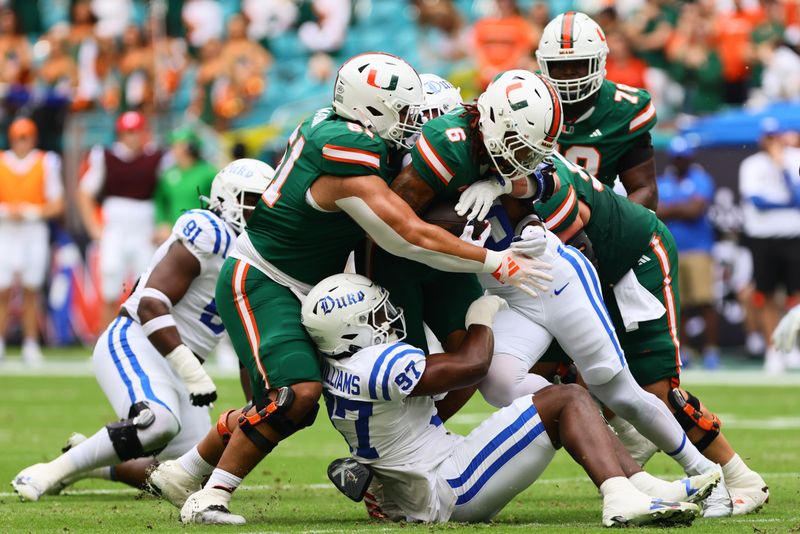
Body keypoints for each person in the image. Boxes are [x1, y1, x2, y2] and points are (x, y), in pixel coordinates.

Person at [145, 52, 551, 525]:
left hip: (319, 284)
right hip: (266, 279)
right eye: (402, 112)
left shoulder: (350, 132)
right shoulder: (344, 155)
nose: (412, 122)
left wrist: (497, 182)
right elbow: (405, 234)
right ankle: (211, 496)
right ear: (371, 111)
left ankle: (184, 472)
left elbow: (529, 173)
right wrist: (492, 261)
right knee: (295, 396)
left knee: (313, 400)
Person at [455, 72, 769, 518]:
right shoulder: (464, 158)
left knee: (649, 387)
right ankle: (626, 454)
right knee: (537, 382)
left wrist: (596, 340)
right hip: (540, 287)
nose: (529, 157)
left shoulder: (548, 180)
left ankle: (734, 476)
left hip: (625, 259)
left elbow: (582, 255)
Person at [305, 273, 707, 527]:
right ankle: (621, 498)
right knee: (565, 398)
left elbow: (450, 390)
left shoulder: (340, 368)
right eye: (375, 317)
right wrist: (481, 317)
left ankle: (641, 484)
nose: (388, 319)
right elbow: (470, 364)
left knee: (561, 401)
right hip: (448, 485)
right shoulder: (378, 363)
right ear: (349, 329)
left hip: (424, 480)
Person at [11, 159, 271, 501]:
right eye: (255, 200)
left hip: (179, 366)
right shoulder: (209, 231)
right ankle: (50, 472)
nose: (264, 210)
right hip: (138, 340)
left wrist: (259, 409)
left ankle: (97, 465)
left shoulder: (253, 256)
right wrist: (192, 373)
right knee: (158, 421)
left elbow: (245, 347)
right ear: (228, 199)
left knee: (188, 475)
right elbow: (151, 303)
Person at [536, 12, 658, 209]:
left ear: (599, 62)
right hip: (530, 217)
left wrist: (614, 228)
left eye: (580, 63)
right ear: (544, 65)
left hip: (594, 219)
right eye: (560, 65)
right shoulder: (524, 96)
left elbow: (645, 189)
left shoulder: (624, 110)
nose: (569, 72)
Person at [77, 111, 167, 330]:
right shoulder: (105, 156)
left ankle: (145, 341)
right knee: (109, 285)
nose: (132, 137)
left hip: (144, 230)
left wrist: (164, 223)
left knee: (145, 289)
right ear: (120, 134)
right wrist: (93, 227)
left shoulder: (157, 157)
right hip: (115, 230)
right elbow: (84, 192)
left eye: (136, 132)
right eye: (128, 132)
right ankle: (103, 340)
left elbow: (167, 193)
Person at [0, 118, 64, 364]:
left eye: (26, 137)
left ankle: (30, 342)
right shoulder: (3, 162)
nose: (22, 142)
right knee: (3, 290)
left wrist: (29, 211)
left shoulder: (45, 162)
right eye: (18, 137)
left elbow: (56, 204)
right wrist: (8, 211)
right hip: (6, 230)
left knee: (31, 289)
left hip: (32, 229)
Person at [738, 118, 800, 373]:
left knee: (794, 296)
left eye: (776, 136)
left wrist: (782, 166)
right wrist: (785, 202)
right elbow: (757, 202)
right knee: (764, 295)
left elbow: (797, 197)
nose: (772, 142)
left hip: (792, 236)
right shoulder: (751, 165)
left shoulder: (794, 158)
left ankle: (791, 346)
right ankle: (773, 347)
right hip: (763, 238)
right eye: (768, 137)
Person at [657, 137, 720, 369]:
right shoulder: (663, 181)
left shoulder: (701, 179)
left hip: (699, 249)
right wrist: (682, 207)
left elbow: (696, 210)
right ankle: (684, 350)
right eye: (678, 158)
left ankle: (711, 350)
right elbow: (657, 210)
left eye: (685, 158)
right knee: (678, 304)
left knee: (706, 301)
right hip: (673, 248)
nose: (681, 162)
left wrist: (672, 208)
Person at [154, 128, 217, 243]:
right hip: (175, 233)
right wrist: (162, 223)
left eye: (179, 145)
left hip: (202, 233)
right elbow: (160, 201)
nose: (174, 149)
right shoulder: (168, 174)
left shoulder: (208, 172)